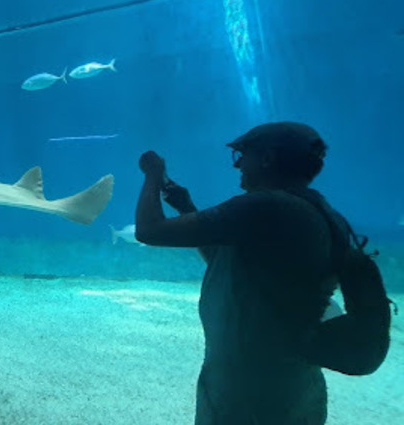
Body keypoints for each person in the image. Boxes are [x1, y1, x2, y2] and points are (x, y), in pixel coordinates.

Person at [135, 122, 349, 425]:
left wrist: (153, 174)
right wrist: (186, 207)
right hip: (293, 383)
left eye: (242, 156)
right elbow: (229, 265)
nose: (237, 167)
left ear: (267, 158)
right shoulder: (322, 211)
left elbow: (149, 230)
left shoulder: (263, 206)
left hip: (248, 390)